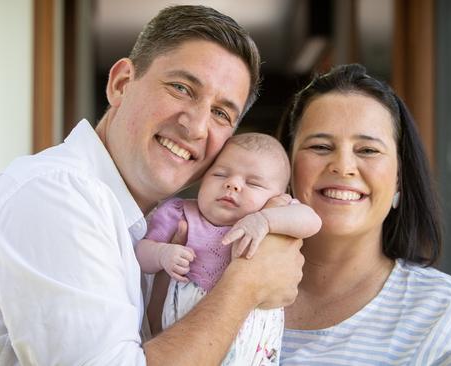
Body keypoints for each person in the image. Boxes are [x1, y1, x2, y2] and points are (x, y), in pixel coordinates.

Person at [0, 5, 305, 366]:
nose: (196, 126)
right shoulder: (56, 197)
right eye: (181, 88)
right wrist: (245, 285)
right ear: (121, 83)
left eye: (220, 113)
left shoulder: (144, 221)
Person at [276, 64, 451, 365]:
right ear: (286, 166)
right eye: (321, 146)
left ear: (400, 179)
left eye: (368, 150)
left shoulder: (445, 315)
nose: (343, 166)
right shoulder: (224, 286)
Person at [135, 132, 321, 365]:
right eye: (220, 174)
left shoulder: (276, 216)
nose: (232, 184)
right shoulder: (180, 213)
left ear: (280, 196)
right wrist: (161, 254)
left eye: (252, 183)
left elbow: (313, 221)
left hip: (254, 346)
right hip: (186, 341)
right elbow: (140, 252)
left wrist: (265, 221)